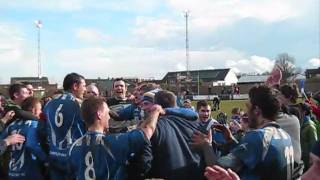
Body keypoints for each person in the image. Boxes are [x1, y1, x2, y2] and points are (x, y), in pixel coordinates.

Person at [199, 86, 294, 180]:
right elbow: (255, 156)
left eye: (248, 107)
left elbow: (217, 169)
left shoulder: (259, 136)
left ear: (257, 110)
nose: (246, 113)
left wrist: (206, 144)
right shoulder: (286, 136)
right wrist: (230, 140)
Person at [68, 96, 164, 179]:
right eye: (107, 113)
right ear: (99, 114)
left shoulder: (73, 148)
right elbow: (147, 130)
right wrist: (156, 111)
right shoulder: (114, 142)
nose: (109, 117)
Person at [143, 90, 205, 180]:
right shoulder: (196, 123)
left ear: (156, 105)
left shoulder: (155, 127)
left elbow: (144, 160)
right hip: (196, 174)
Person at [43, 72, 86, 180]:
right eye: (84, 86)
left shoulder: (49, 104)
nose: (85, 90)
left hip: (54, 156)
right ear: (75, 86)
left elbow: (42, 130)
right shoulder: (80, 105)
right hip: (74, 156)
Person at [0, 97, 47, 179]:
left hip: (13, 172)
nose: (41, 112)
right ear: (33, 110)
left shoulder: (11, 124)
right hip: (29, 171)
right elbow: (31, 145)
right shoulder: (34, 124)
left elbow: (2, 141)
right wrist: (46, 159)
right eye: (40, 110)